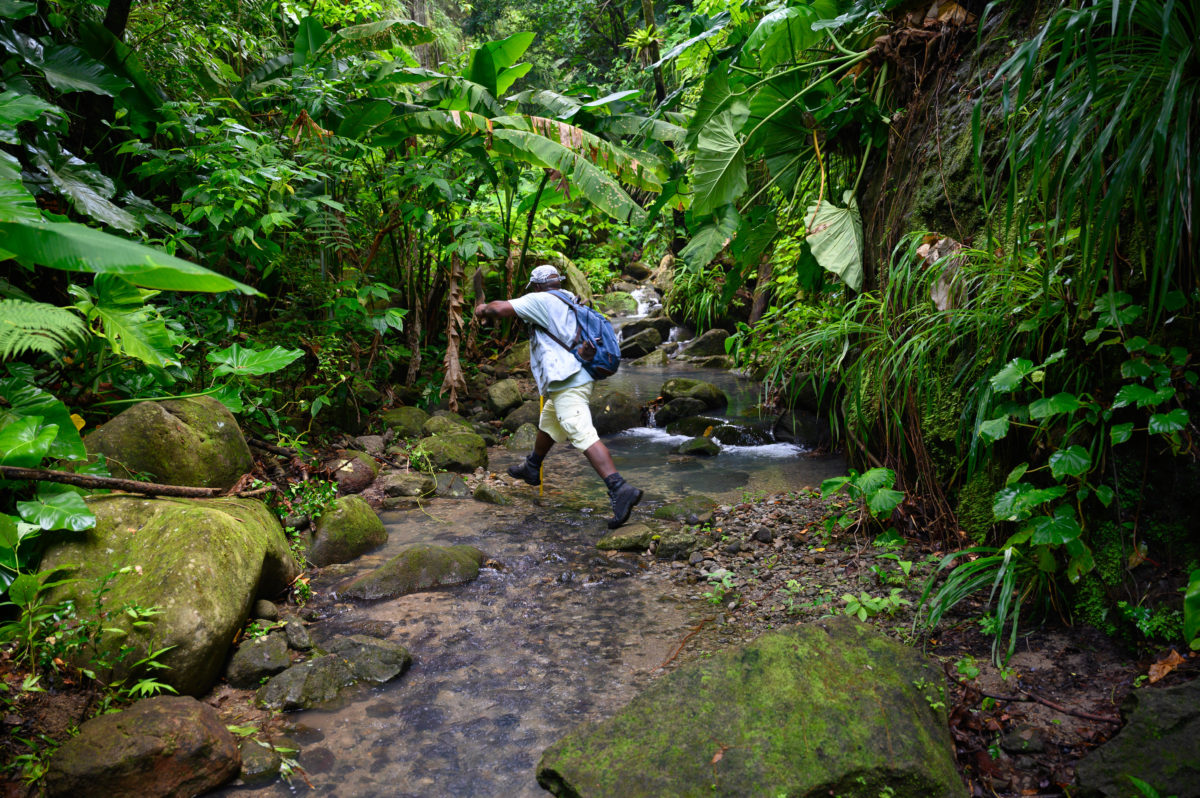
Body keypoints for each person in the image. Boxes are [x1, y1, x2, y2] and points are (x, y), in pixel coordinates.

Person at [474, 264, 643, 529]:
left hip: (568, 381)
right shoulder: (567, 298)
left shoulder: (540, 299)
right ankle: (532, 466)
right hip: (575, 376)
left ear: (537, 286)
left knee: (580, 431)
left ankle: (619, 488)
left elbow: (499, 308)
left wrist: (482, 309)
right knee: (550, 420)